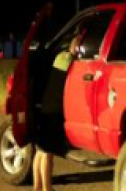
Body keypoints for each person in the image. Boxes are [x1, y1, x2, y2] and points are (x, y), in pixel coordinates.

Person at [32, 29, 82, 191]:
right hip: (55, 110)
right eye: (79, 44)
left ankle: (37, 187)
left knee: (40, 151)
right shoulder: (71, 62)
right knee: (48, 153)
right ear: (75, 46)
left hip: (45, 108)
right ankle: (47, 188)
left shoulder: (59, 57)